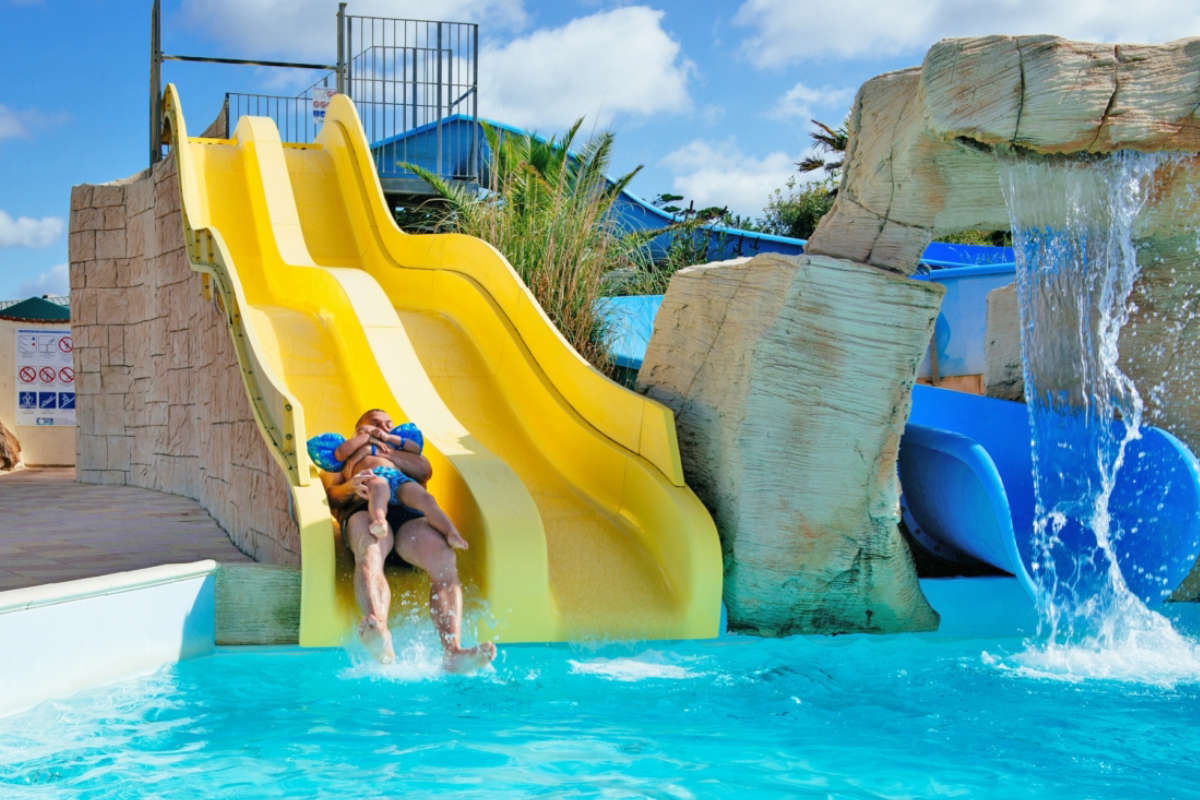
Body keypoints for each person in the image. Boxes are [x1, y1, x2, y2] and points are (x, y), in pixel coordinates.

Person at [316, 409, 496, 672]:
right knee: (370, 551)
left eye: (389, 424)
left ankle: (453, 651)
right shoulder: (345, 459)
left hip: (409, 520)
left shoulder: (404, 455)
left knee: (443, 555)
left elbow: (424, 470)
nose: (384, 427)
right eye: (375, 424)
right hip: (364, 513)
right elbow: (331, 495)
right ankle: (379, 632)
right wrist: (350, 486)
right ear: (358, 431)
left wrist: (387, 448)